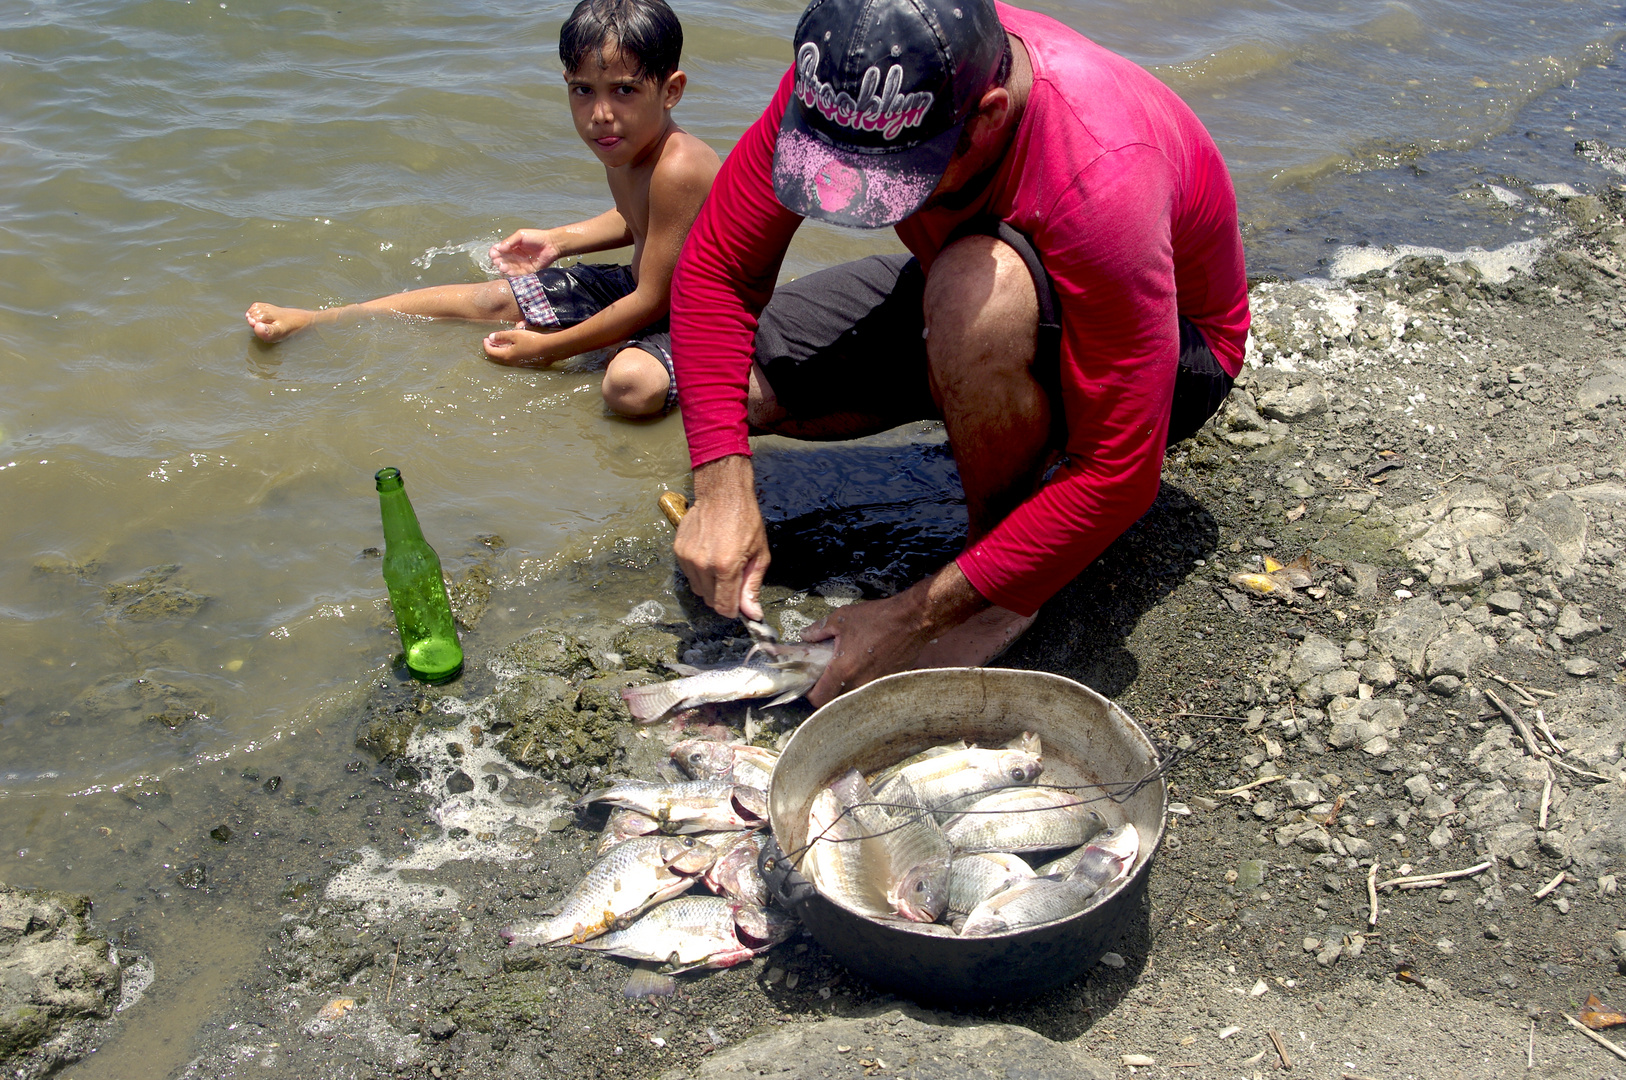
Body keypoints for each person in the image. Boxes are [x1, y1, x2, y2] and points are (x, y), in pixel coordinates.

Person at [667, 0, 1250, 702]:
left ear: (989, 115)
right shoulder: (853, 77)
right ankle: (991, 424)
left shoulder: (1102, 173)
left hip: (1168, 349)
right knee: (733, 385)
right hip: (967, 286)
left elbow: (1121, 471)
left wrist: (913, 617)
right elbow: (718, 273)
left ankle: (1001, 581)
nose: (859, 196)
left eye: (892, 180)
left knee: (981, 285)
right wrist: (722, 483)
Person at [243, 0, 719, 418]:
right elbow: (637, 219)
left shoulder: (679, 165)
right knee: (491, 299)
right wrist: (558, 239)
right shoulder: (628, 144)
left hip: (696, 319)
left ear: (671, 90)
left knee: (628, 387)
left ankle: (626, 355)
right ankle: (325, 318)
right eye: (583, 90)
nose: (600, 113)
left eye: (624, 90)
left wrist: (547, 349)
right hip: (637, 288)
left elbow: (655, 299)